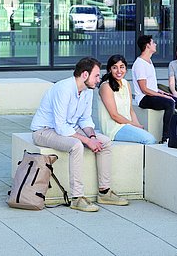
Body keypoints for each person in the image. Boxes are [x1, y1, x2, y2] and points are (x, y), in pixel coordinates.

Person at [30, 57, 129, 212]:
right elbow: (61, 127)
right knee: (76, 145)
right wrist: (87, 141)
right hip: (44, 130)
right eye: (96, 75)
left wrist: (93, 138)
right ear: (84, 75)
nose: (98, 79)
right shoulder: (63, 89)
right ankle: (77, 198)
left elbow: (85, 119)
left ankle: (104, 192)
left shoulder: (87, 90)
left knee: (106, 142)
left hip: (69, 127)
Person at [132, 35, 177, 144]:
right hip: (144, 98)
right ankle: (166, 138)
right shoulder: (139, 64)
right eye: (153, 43)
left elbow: (151, 86)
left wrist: (161, 92)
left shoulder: (149, 61)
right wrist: (162, 96)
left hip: (153, 94)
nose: (155, 44)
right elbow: (144, 89)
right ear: (148, 46)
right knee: (169, 103)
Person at [98, 55, 156, 145]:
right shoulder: (106, 86)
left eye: (122, 67)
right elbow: (114, 115)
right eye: (114, 68)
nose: (119, 71)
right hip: (114, 128)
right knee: (149, 139)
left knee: (149, 137)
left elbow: (131, 110)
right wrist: (134, 125)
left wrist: (138, 125)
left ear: (125, 69)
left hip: (127, 125)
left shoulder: (126, 83)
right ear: (110, 70)